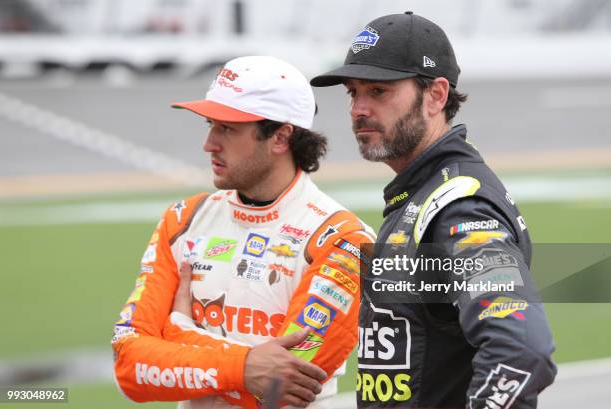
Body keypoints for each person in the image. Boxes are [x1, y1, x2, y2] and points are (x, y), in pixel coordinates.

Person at [310, 12, 557, 409]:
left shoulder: (459, 207)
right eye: (353, 92)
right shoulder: (420, 195)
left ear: (437, 95)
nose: (358, 108)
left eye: (378, 90)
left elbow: (524, 352)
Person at [112, 55, 375, 409]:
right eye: (210, 124)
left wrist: (177, 333)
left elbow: (285, 386)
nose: (209, 143)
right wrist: (245, 367)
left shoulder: (343, 240)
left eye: (227, 129)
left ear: (281, 137)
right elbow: (130, 366)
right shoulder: (183, 220)